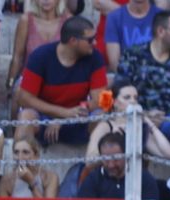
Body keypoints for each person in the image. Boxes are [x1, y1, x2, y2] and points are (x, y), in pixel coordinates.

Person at [15, 16, 105, 147]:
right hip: (45, 117)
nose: (95, 43)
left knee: (101, 116)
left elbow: (105, 100)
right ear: (73, 41)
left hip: (78, 116)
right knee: (26, 116)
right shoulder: (40, 57)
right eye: (90, 40)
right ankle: (21, 166)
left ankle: (97, 164)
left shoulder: (95, 57)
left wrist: (74, 113)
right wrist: (63, 113)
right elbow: (24, 98)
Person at [118, 10, 170, 156]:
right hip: (135, 114)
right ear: (161, 31)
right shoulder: (134, 54)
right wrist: (145, 114)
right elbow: (120, 92)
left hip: (169, 116)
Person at [85, 77, 170, 163]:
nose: (133, 101)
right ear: (115, 102)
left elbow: (169, 154)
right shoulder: (106, 126)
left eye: (135, 98)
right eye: (127, 97)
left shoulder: (139, 128)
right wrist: (111, 141)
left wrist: (148, 122)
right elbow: (90, 160)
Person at [8, 0, 69, 119]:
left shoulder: (67, 21)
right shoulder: (26, 20)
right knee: (17, 91)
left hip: (59, 78)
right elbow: (17, 57)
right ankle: (14, 133)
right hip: (29, 78)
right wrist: (10, 84)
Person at [75, 129, 160, 198]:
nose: (111, 165)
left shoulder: (144, 179)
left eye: (116, 159)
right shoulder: (93, 179)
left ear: (126, 155)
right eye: (106, 160)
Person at [102, 0, 156, 71]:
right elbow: (114, 63)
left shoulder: (160, 16)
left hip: (155, 74)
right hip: (125, 76)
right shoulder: (114, 17)